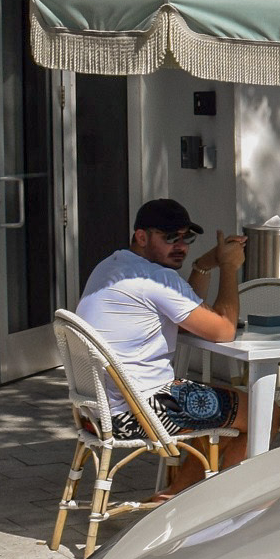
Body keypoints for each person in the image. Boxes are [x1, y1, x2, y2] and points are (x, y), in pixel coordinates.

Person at [75, 199, 248, 490]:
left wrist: (205, 265)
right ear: (141, 237)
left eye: (186, 237)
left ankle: (173, 499)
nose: (180, 245)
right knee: (260, 409)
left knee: (219, 404)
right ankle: (229, 509)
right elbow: (224, 330)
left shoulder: (111, 266)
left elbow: (186, 316)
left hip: (97, 411)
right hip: (140, 411)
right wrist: (229, 267)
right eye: (170, 237)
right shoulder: (156, 278)